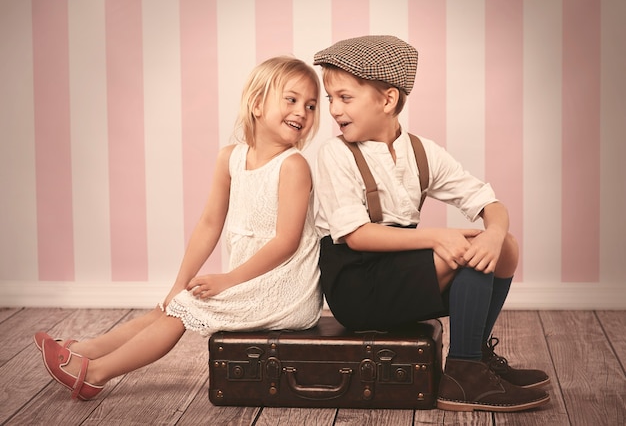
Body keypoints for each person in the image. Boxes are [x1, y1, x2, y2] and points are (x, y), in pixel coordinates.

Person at [35, 56, 323, 401]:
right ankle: (84, 351)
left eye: (310, 105)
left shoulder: (293, 166)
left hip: (286, 289)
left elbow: (286, 242)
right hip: (252, 280)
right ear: (258, 104)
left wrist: (226, 280)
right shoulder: (230, 158)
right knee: (173, 303)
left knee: (185, 310)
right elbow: (209, 223)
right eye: (291, 100)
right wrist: (178, 283)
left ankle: (95, 374)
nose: (302, 112)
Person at [312, 35, 550, 412]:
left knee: (504, 248)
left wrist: (493, 235)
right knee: (463, 251)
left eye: (345, 97)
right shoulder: (335, 154)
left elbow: (491, 203)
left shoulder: (422, 152)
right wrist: (438, 237)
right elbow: (356, 236)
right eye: (330, 99)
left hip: (400, 273)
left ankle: (471, 360)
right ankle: (463, 376)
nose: (334, 110)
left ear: (388, 99)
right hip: (358, 285)